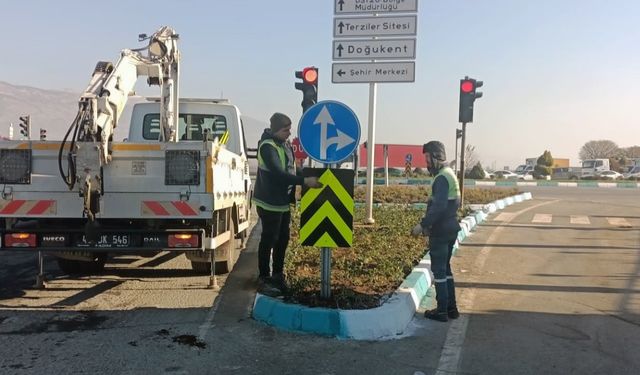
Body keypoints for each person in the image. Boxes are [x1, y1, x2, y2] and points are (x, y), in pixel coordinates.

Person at [252, 112, 323, 296]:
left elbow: (292, 168)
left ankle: (277, 275)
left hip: (283, 201)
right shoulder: (267, 147)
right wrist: (305, 182)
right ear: (276, 129)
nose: (289, 133)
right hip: (269, 201)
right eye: (286, 130)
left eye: (289, 129)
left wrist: (306, 174)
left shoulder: (285, 145)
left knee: (283, 240)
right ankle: (264, 278)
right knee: (269, 239)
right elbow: (278, 174)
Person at [411, 141, 461, 322]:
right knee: (446, 269)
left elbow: (438, 207)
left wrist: (423, 225)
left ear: (437, 156)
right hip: (451, 228)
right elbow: (454, 203)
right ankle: (451, 308)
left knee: (438, 271)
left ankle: (441, 311)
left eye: (428, 157)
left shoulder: (441, 178)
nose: (426, 162)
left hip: (441, 231)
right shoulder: (449, 175)